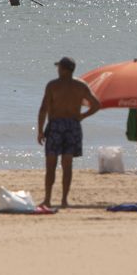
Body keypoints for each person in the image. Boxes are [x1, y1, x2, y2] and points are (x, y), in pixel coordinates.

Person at [36, 57, 101, 208]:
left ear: (64, 69)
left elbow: (43, 109)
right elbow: (96, 105)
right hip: (73, 126)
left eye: (59, 67)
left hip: (56, 125)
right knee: (67, 165)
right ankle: (64, 200)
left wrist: (40, 131)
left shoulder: (53, 85)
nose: (57, 70)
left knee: (51, 164)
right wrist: (82, 116)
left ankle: (47, 199)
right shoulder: (81, 85)